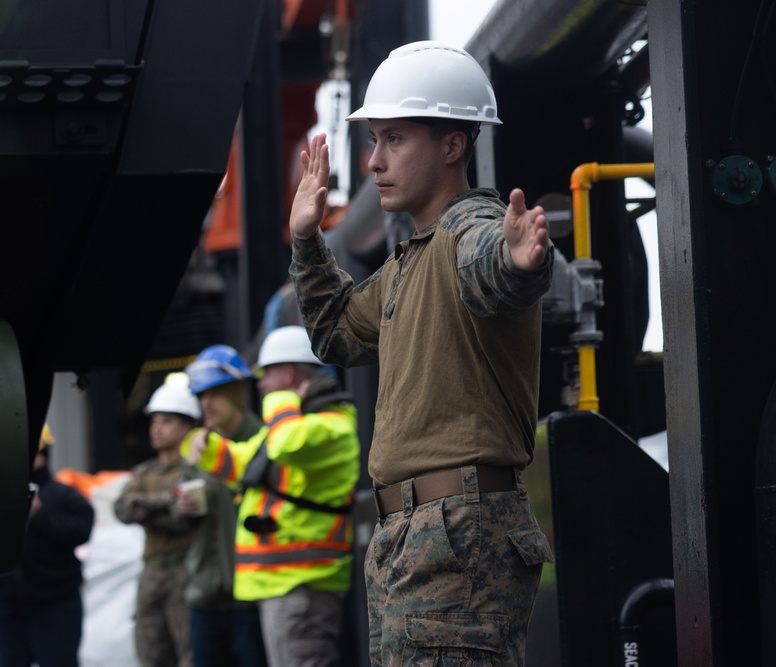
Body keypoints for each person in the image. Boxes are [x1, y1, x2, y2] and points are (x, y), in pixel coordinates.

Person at [287, 41, 555, 666]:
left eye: (394, 139)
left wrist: (517, 263)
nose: (374, 160)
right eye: (374, 140)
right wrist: (306, 240)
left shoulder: (471, 230)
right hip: (416, 536)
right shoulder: (409, 262)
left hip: (454, 535)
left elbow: (492, 264)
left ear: (453, 146)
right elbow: (334, 333)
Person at [187, 326, 360, 667]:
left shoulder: (331, 426)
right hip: (285, 586)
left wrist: (282, 399)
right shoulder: (290, 426)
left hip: (305, 584)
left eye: (267, 376)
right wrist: (204, 446)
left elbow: (285, 444)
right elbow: (245, 463)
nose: (261, 385)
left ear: (288, 372)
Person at [179, 346, 269, 667]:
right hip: (205, 597)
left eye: (215, 393)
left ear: (236, 394)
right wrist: (182, 507)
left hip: (250, 599)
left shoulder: (265, 441)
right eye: (201, 395)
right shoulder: (197, 448)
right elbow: (182, 517)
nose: (205, 403)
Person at [0, 423, 95, 667]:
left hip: (55, 604)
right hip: (5, 603)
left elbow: (81, 530)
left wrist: (40, 515)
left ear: (42, 455)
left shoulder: (63, 496)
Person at [114, 377, 202, 667]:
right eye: (154, 421)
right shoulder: (144, 471)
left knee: (190, 652)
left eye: (166, 421)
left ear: (186, 426)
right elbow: (122, 509)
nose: (156, 428)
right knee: (150, 654)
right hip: (151, 573)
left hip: (185, 570)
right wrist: (166, 500)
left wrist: (147, 506)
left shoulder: (195, 469)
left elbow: (184, 520)